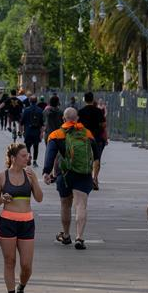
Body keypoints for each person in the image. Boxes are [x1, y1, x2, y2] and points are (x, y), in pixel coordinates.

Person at [0, 143, 43, 293]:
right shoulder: (1, 177)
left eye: (27, 155)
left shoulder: (30, 175)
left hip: (27, 222)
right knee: (10, 261)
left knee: (27, 266)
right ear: (13, 158)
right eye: (23, 155)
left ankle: (21, 287)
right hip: (7, 222)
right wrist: (3, 199)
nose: (27, 158)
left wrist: (35, 180)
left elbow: (39, 198)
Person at [43, 108, 98, 250]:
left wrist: (46, 172)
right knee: (81, 205)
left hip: (65, 174)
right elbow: (96, 157)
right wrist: (95, 176)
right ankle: (79, 237)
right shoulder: (87, 133)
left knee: (65, 205)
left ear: (63, 118)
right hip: (84, 174)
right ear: (77, 118)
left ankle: (66, 235)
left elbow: (50, 154)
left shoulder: (56, 134)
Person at [77, 92, 107, 190]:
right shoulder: (98, 111)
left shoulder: (80, 112)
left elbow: (77, 125)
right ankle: (95, 178)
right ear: (92, 99)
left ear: (84, 99)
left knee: (85, 157)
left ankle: (86, 178)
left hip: (84, 138)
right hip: (96, 138)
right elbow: (103, 124)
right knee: (96, 158)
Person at [20, 96, 45, 167]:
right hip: (36, 132)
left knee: (28, 146)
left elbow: (22, 122)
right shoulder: (40, 110)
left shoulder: (26, 110)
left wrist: (21, 131)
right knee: (36, 147)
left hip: (28, 131)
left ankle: (29, 157)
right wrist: (41, 133)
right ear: (36, 101)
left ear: (30, 101)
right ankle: (34, 161)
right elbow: (42, 124)